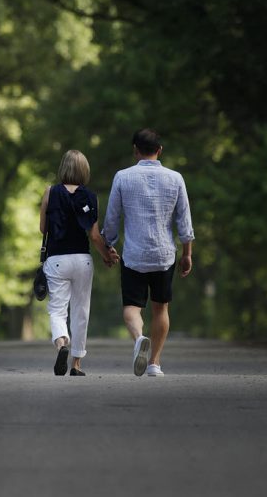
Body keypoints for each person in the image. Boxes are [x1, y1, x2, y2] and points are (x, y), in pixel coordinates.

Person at [102, 128, 194, 377]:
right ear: (160, 150)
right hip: (164, 255)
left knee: (132, 308)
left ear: (135, 150)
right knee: (161, 309)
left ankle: (139, 339)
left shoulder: (122, 177)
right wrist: (187, 253)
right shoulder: (176, 178)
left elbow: (112, 217)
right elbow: (184, 221)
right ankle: (154, 362)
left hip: (134, 255)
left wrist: (108, 245)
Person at [40, 149, 119, 376]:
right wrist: (107, 256)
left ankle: (61, 343)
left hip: (56, 260)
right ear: (85, 170)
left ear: (63, 168)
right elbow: (94, 236)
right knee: (81, 311)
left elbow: (42, 229)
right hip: (82, 260)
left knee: (57, 310)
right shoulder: (90, 196)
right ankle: (76, 364)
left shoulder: (50, 192)